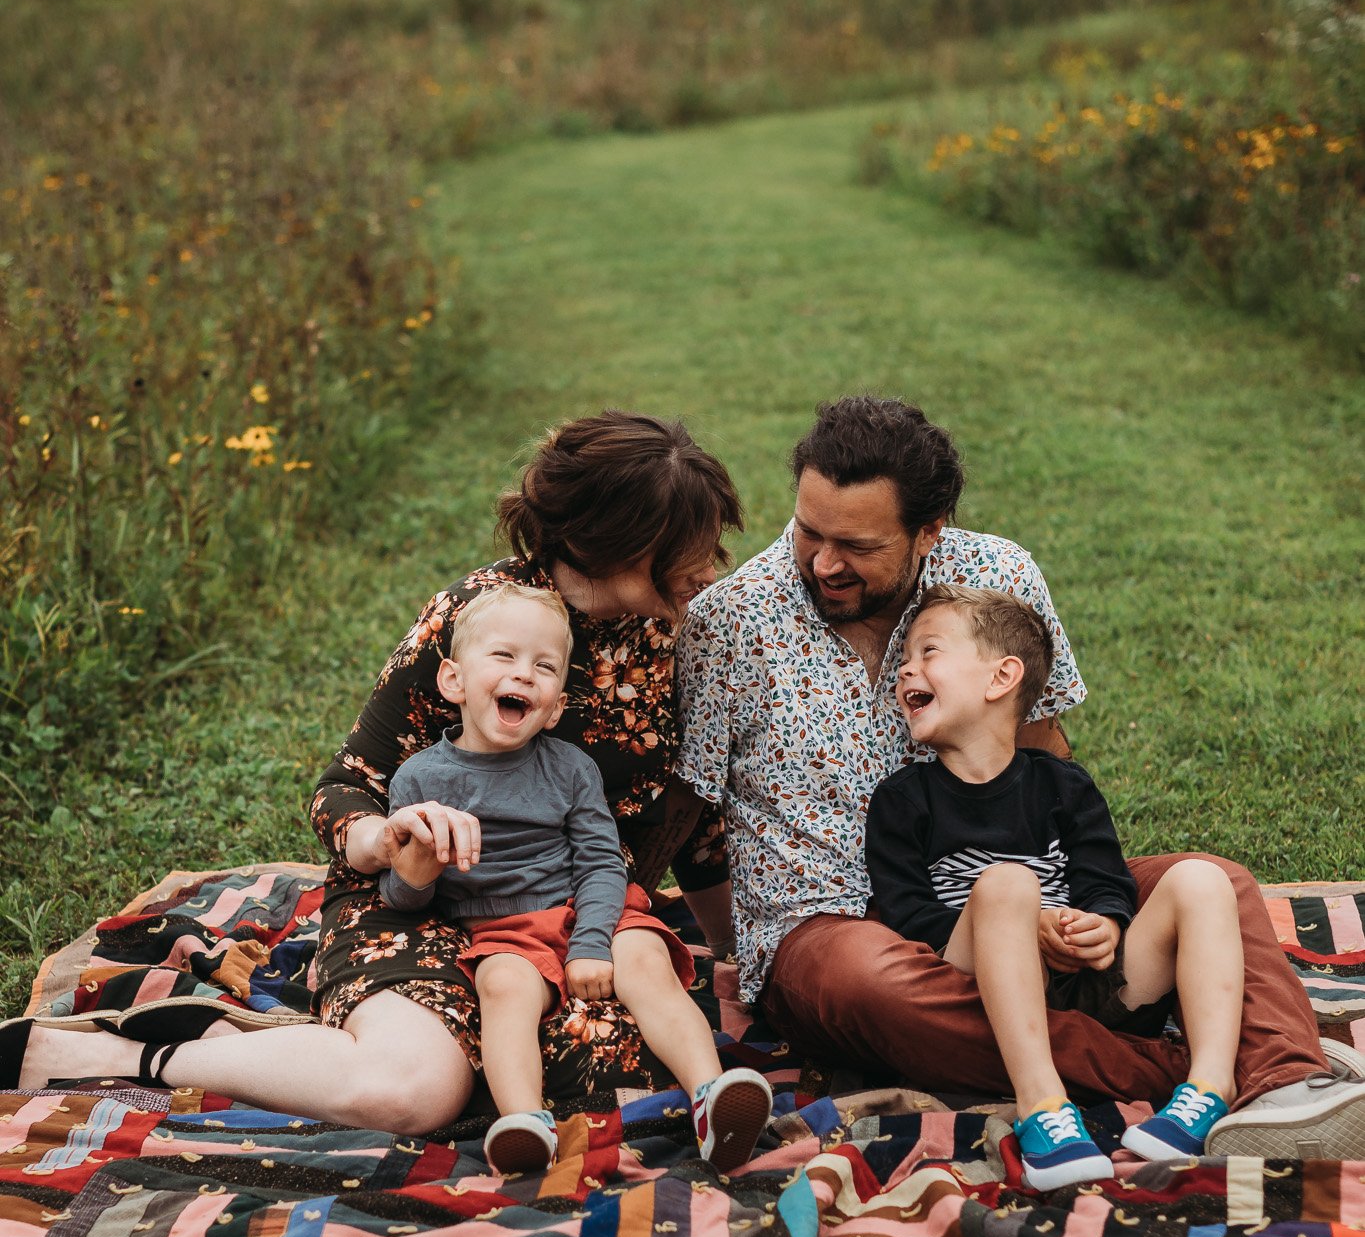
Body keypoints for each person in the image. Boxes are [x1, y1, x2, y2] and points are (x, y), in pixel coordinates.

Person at [10, 412, 744, 1134]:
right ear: (608, 543)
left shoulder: (687, 630)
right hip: (416, 902)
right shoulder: (483, 616)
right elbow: (348, 784)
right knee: (412, 1092)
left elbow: (695, 815)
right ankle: (144, 1051)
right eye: (686, 550)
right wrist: (389, 840)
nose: (709, 570)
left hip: (570, 910)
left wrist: (736, 955)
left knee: (621, 1065)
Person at [677, 393, 1365, 1158]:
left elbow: (1043, 754)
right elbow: (697, 818)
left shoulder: (995, 573)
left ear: (926, 533)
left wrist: (1084, 914)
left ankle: (1291, 1084)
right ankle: (1202, 1065)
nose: (824, 562)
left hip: (1024, 896)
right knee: (866, 983)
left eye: (857, 544)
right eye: (809, 530)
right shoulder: (727, 621)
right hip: (836, 926)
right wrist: (733, 951)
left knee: (1214, 881)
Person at [378, 580, 771, 1174]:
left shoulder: (568, 768)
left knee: (646, 963)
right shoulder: (419, 781)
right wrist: (415, 873)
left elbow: (600, 861)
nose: (525, 674)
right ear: (454, 681)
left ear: (558, 703)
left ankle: (711, 1097)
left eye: (544, 666)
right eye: (505, 657)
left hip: (593, 904)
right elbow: (406, 894)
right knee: (503, 991)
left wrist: (591, 943)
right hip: (502, 928)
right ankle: (525, 1123)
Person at [865, 585, 1245, 1189]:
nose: (906, 668)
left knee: (1202, 880)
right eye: (904, 659)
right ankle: (1043, 1106)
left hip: (1088, 980)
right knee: (1009, 885)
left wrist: (1105, 924)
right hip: (982, 980)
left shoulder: (1061, 784)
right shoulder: (902, 801)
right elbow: (909, 915)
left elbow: (1104, 874)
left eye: (927, 651)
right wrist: (1015, 922)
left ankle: (1209, 1086)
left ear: (1001, 678)